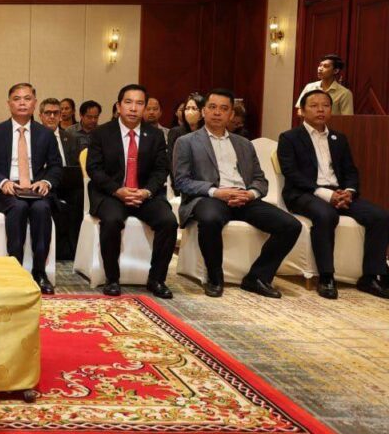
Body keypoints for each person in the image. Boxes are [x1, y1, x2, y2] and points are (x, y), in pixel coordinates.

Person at [173, 89, 302, 298]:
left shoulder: (244, 144)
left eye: (224, 109)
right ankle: (215, 278)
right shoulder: (187, 142)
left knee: (291, 225)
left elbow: (260, 180)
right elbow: (182, 181)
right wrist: (216, 192)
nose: (217, 113)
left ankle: (257, 277)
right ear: (203, 111)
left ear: (231, 114)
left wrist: (250, 194)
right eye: (212, 107)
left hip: (244, 198)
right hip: (209, 197)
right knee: (210, 219)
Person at [277, 90, 389, 300]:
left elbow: (350, 171)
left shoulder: (339, 138)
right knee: (326, 215)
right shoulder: (289, 138)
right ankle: (326, 276)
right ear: (302, 111)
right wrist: (326, 195)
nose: (320, 110)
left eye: (325, 105)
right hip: (304, 193)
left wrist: (349, 192)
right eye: (314, 106)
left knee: (380, 216)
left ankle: (372, 276)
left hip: (338, 192)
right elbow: (291, 173)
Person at [86, 84, 177, 298]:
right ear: (119, 106)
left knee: (169, 222)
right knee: (111, 220)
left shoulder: (155, 135)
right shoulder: (101, 133)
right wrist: (118, 190)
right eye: (128, 102)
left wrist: (146, 192)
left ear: (144, 107)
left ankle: (157, 280)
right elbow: (94, 169)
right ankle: (112, 279)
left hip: (144, 194)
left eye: (139, 103)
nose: (133, 108)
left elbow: (161, 169)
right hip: (111, 193)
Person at [0, 83, 63, 294]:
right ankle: (15, 270)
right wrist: (3, 182)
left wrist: (46, 182)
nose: (22, 103)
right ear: (9, 104)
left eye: (27, 98)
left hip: (36, 189)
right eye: (17, 99)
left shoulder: (45, 134)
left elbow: (56, 166)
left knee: (41, 209)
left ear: (35, 103)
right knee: (18, 208)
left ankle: (39, 272)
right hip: (7, 190)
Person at [39, 97, 82, 261]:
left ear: (60, 116)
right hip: (44, 184)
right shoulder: (34, 137)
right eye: (48, 113)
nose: (52, 116)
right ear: (41, 116)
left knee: (80, 196)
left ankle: (73, 249)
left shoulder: (70, 138)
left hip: (68, 184)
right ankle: (55, 249)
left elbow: (76, 166)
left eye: (55, 113)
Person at [166, 92, 205, 160]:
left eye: (194, 108)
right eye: (187, 108)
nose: (189, 112)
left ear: (202, 112)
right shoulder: (176, 132)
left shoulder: (206, 132)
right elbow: (171, 159)